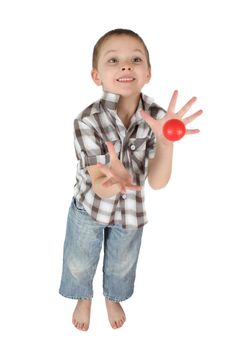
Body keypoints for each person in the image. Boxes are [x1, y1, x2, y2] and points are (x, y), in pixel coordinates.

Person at [59, 28, 202, 331]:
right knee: (79, 259)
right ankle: (83, 296)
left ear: (148, 73)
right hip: (90, 206)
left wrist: (165, 142)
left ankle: (113, 296)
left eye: (135, 59)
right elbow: (97, 182)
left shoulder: (158, 118)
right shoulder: (87, 120)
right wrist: (110, 181)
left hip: (131, 210)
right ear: (96, 75)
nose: (125, 66)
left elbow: (159, 182)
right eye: (114, 60)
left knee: (122, 263)